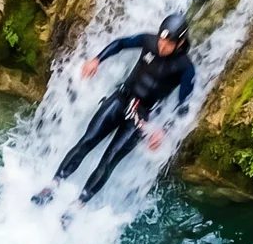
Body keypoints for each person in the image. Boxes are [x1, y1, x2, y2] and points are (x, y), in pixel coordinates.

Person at [34, 12, 197, 208]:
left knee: (109, 160)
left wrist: (164, 130)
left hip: (140, 117)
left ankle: (78, 204)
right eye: (161, 40)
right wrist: (97, 60)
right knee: (87, 140)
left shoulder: (185, 68)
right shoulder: (149, 41)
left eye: (168, 43)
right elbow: (121, 43)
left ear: (180, 43)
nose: (162, 46)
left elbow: (183, 105)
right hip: (121, 98)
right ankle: (53, 185)